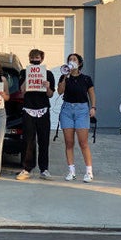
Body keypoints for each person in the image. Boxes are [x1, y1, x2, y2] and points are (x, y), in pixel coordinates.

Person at [16, 49, 55, 181]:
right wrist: (29, 78)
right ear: (29, 59)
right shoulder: (23, 73)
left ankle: (44, 169)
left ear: (42, 59)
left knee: (44, 141)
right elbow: (22, 91)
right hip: (28, 110)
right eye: (32, 57)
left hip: (43, 110)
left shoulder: (48, 74)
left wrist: (47, 86)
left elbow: (50, 94)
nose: (35, 59)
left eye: (37, 57)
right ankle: (27, 169)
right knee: (28, 141)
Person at [57, 53, 95, 183]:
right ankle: (71, 171)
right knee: (69, 142)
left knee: (83, 142)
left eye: (74, 60)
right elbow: (60, 91)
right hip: (67, 109)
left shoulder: (86, 79)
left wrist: (93, 107)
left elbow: (91, 94)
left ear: (79, 63)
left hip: (82, 110)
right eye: (70, 60)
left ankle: (89, 171)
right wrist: (65, 76)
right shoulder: (64, 77)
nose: (72, 61)